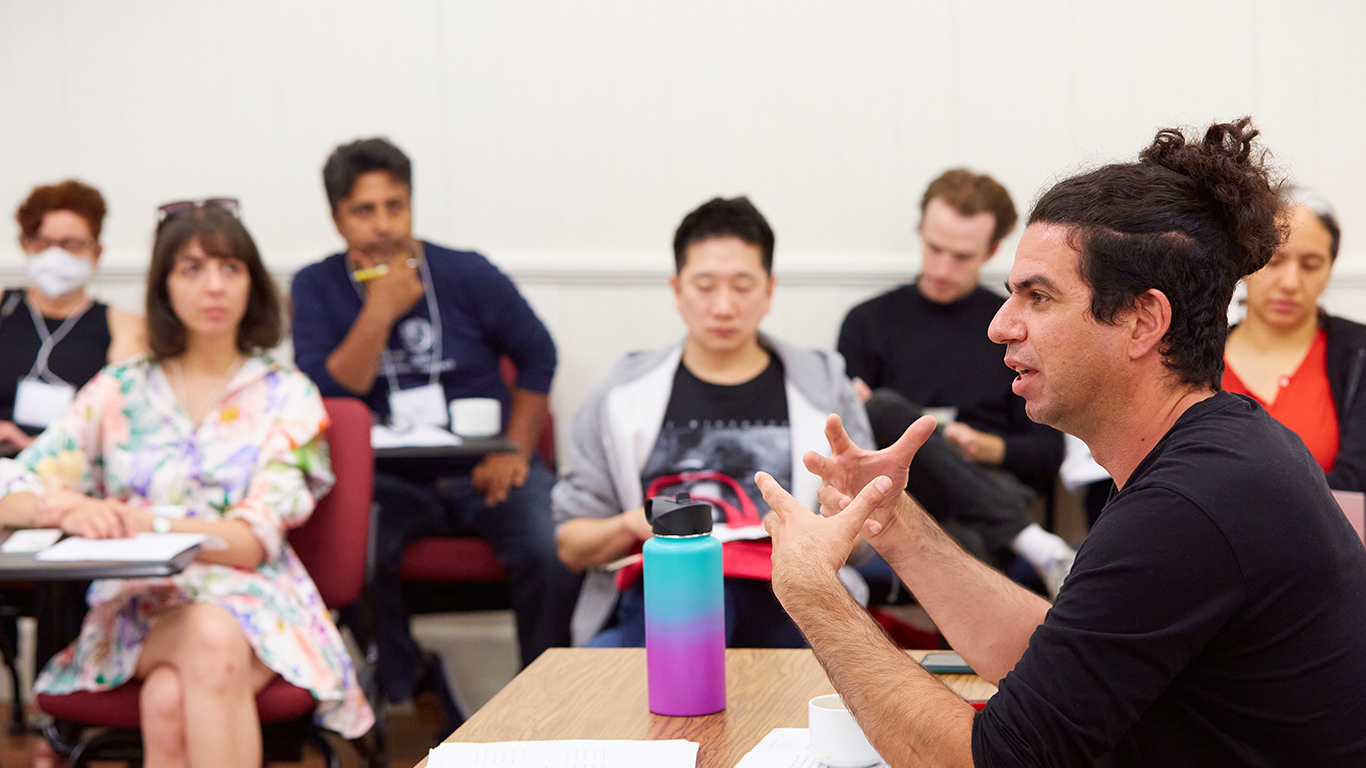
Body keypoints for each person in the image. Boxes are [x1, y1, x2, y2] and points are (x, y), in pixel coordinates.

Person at [758, 118, 1366, 766]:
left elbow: (991, 762)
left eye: (1038, 297)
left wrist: (813, 591)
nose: (999, 326)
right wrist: (893, 523)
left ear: (1142, 322)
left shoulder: (1191, 504)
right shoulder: (1220, 453)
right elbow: (1058, 661)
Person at [0, 202, 373, 766]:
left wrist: (150, 522)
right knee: (204, 648)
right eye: (191, 269)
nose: (213, 287)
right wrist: (66, 510)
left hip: (258, 608)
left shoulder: (286, 395)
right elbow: (14, 491)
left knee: (174, 694)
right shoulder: (121, 389)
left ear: (253, 282)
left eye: (230, 267)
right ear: (164, 286)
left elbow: (251, 541)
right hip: (139, 611)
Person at [290, 138, 578, 702]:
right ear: (336, 219)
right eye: (364, 211)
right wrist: (380, 309)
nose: (383, 225)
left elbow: (538, 354)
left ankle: (550, 696)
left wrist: (516, 449)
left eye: (395, 206)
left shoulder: (466, 272)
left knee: (552, 548)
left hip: (487, 467)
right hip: (386, 480)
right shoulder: (315, 286)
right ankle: (409, 692)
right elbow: (326, 391)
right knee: (354, 557)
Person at [552, 196, 874, 647]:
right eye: (705, 286)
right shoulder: (619, 397)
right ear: (677, 290)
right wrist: (631, 524)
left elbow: (864, 542)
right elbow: (570, 543)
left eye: (742, 286)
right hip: (660, 602)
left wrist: (838, 525)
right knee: (697, 591)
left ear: (769, 291)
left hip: (794, 600)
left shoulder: (825, 389)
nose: (723, 307)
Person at [837, 170, 1072, 594]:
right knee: (881, 410)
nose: (943, 268)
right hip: (903, 489)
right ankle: (1036, 546)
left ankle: (980, 653)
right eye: (934, 249)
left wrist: (982, 447)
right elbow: (849, 448)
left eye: (961, 256)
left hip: (989, 485)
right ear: (921, 233)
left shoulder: (1016, 325)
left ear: (992, 250)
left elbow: (1047, 452)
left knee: (960, 533)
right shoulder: (867, 322)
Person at [1224, 186, 1366, 492]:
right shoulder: (1194, 358)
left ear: (1330, 268)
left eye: (1310, 265)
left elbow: (1356, 484)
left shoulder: (1359, 355)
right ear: (1244, 263)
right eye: (1274, 261)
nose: (1290, 283)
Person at [1, 180, 144, 452]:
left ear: (96, 252)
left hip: (71, 470)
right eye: (42, 243)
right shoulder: (4, 305)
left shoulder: (122, 325)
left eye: (72, 245)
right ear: (25, 246)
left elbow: (125, 420)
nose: (55, 255)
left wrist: (34, 447)